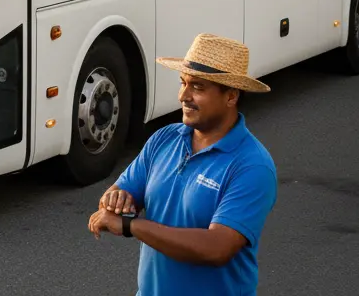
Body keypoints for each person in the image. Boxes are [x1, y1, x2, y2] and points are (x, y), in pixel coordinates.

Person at [88, 34, 277, 296]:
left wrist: (132, 225)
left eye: (197, 87)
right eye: (183, 83)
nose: (183, 96)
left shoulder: (252, 166)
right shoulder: (164, 138)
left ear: (231, 96)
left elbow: (216, 248)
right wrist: (115, 199)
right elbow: (116, 197)